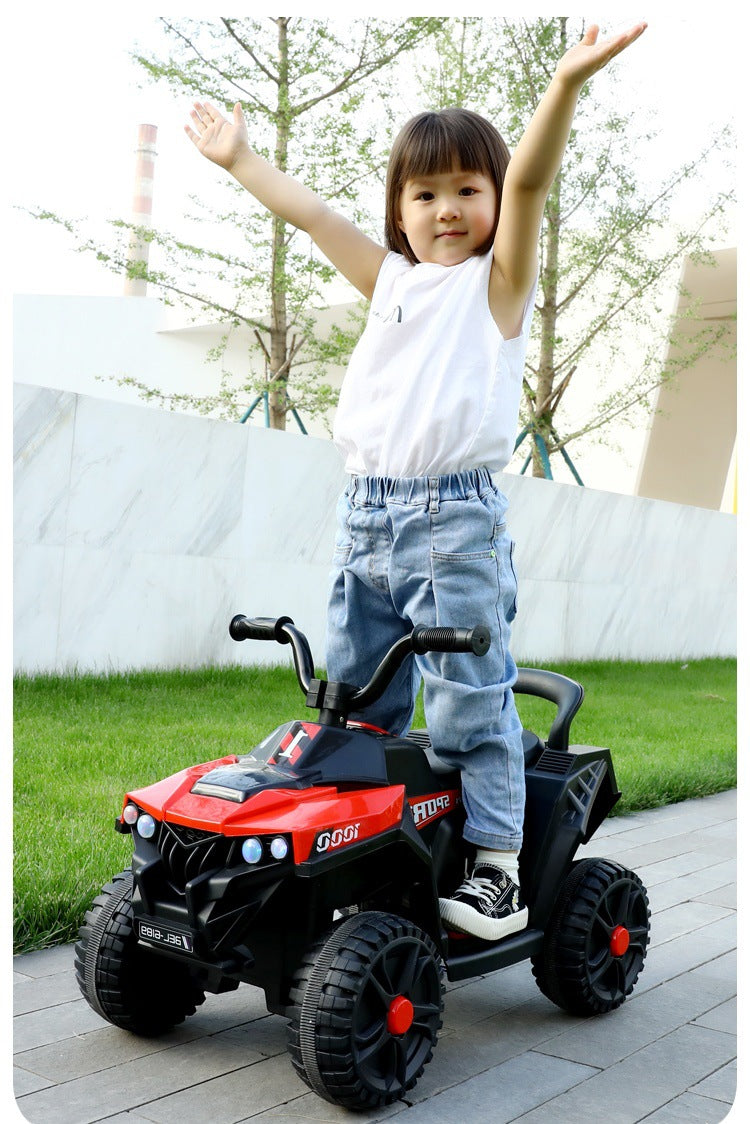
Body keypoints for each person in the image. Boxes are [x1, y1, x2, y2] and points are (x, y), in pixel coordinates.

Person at [186, 20, 647, 940]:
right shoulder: (391, 280)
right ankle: (369, 852)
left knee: (469, 700)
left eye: (468, 190)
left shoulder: (496, 289)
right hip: (366, 517)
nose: (447, 209)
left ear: (493, 202)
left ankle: (498, 866)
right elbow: (313, 216)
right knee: (354, 707)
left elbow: (532, 180)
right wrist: (240, 160)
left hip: (453, 523)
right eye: (425, 193)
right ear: (399, 209)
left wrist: (564, 85)